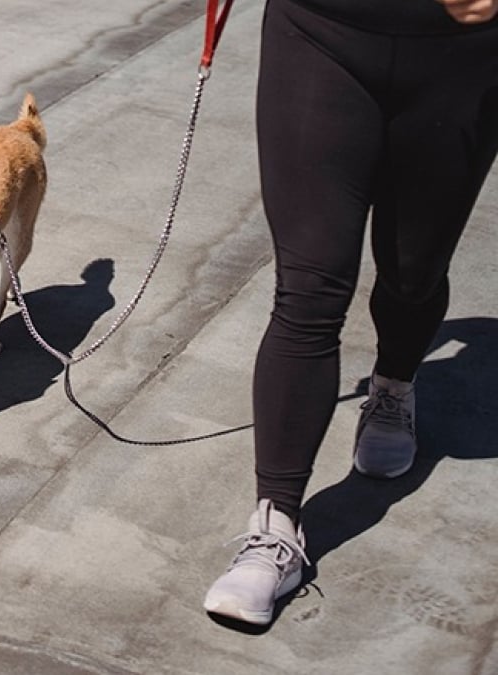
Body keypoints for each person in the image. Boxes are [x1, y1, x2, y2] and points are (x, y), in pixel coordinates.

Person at [202, 0, 498, 626]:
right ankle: (274, 527)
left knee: (414, 274)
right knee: (309, 288)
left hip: (462, 57)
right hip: (321, 32)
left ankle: (393, 385)